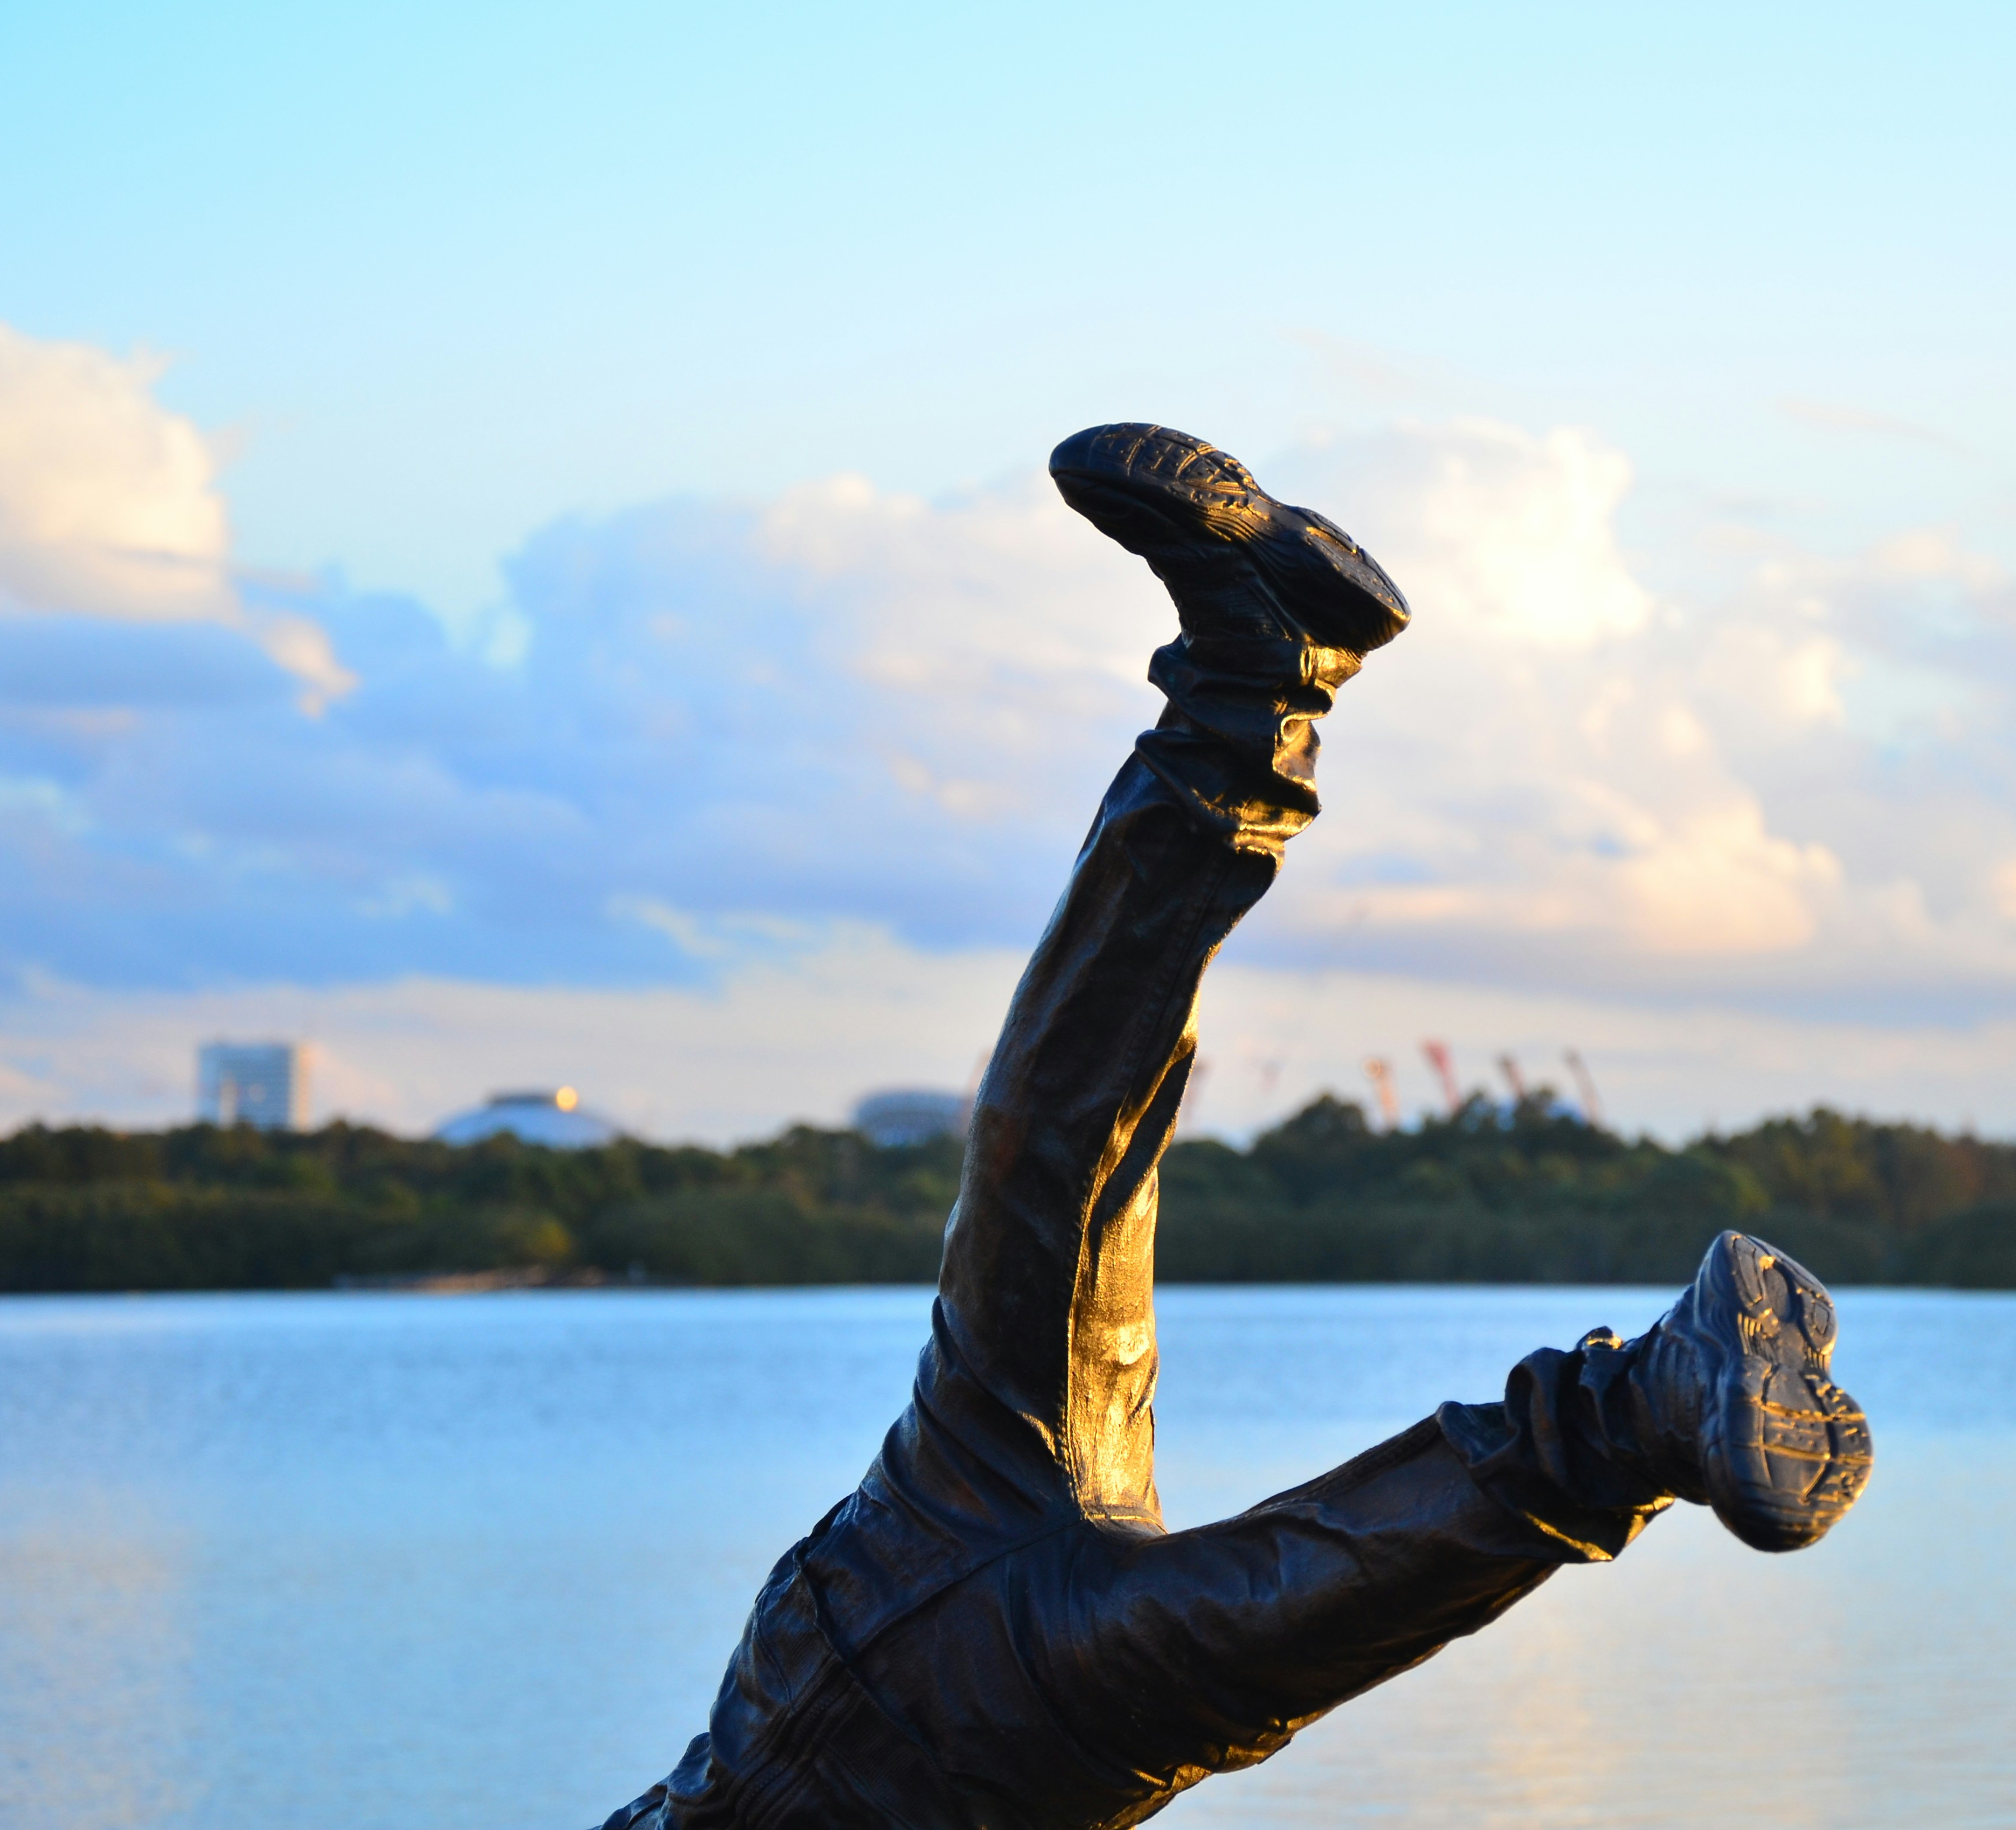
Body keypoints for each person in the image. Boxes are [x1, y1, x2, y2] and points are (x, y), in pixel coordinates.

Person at [604, 424, 1872, 1830]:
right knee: (1314, 1584)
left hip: (909, 1539)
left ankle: (1255, 678)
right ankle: (1646, 1409)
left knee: (1050, 1149)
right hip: (998, 1753)